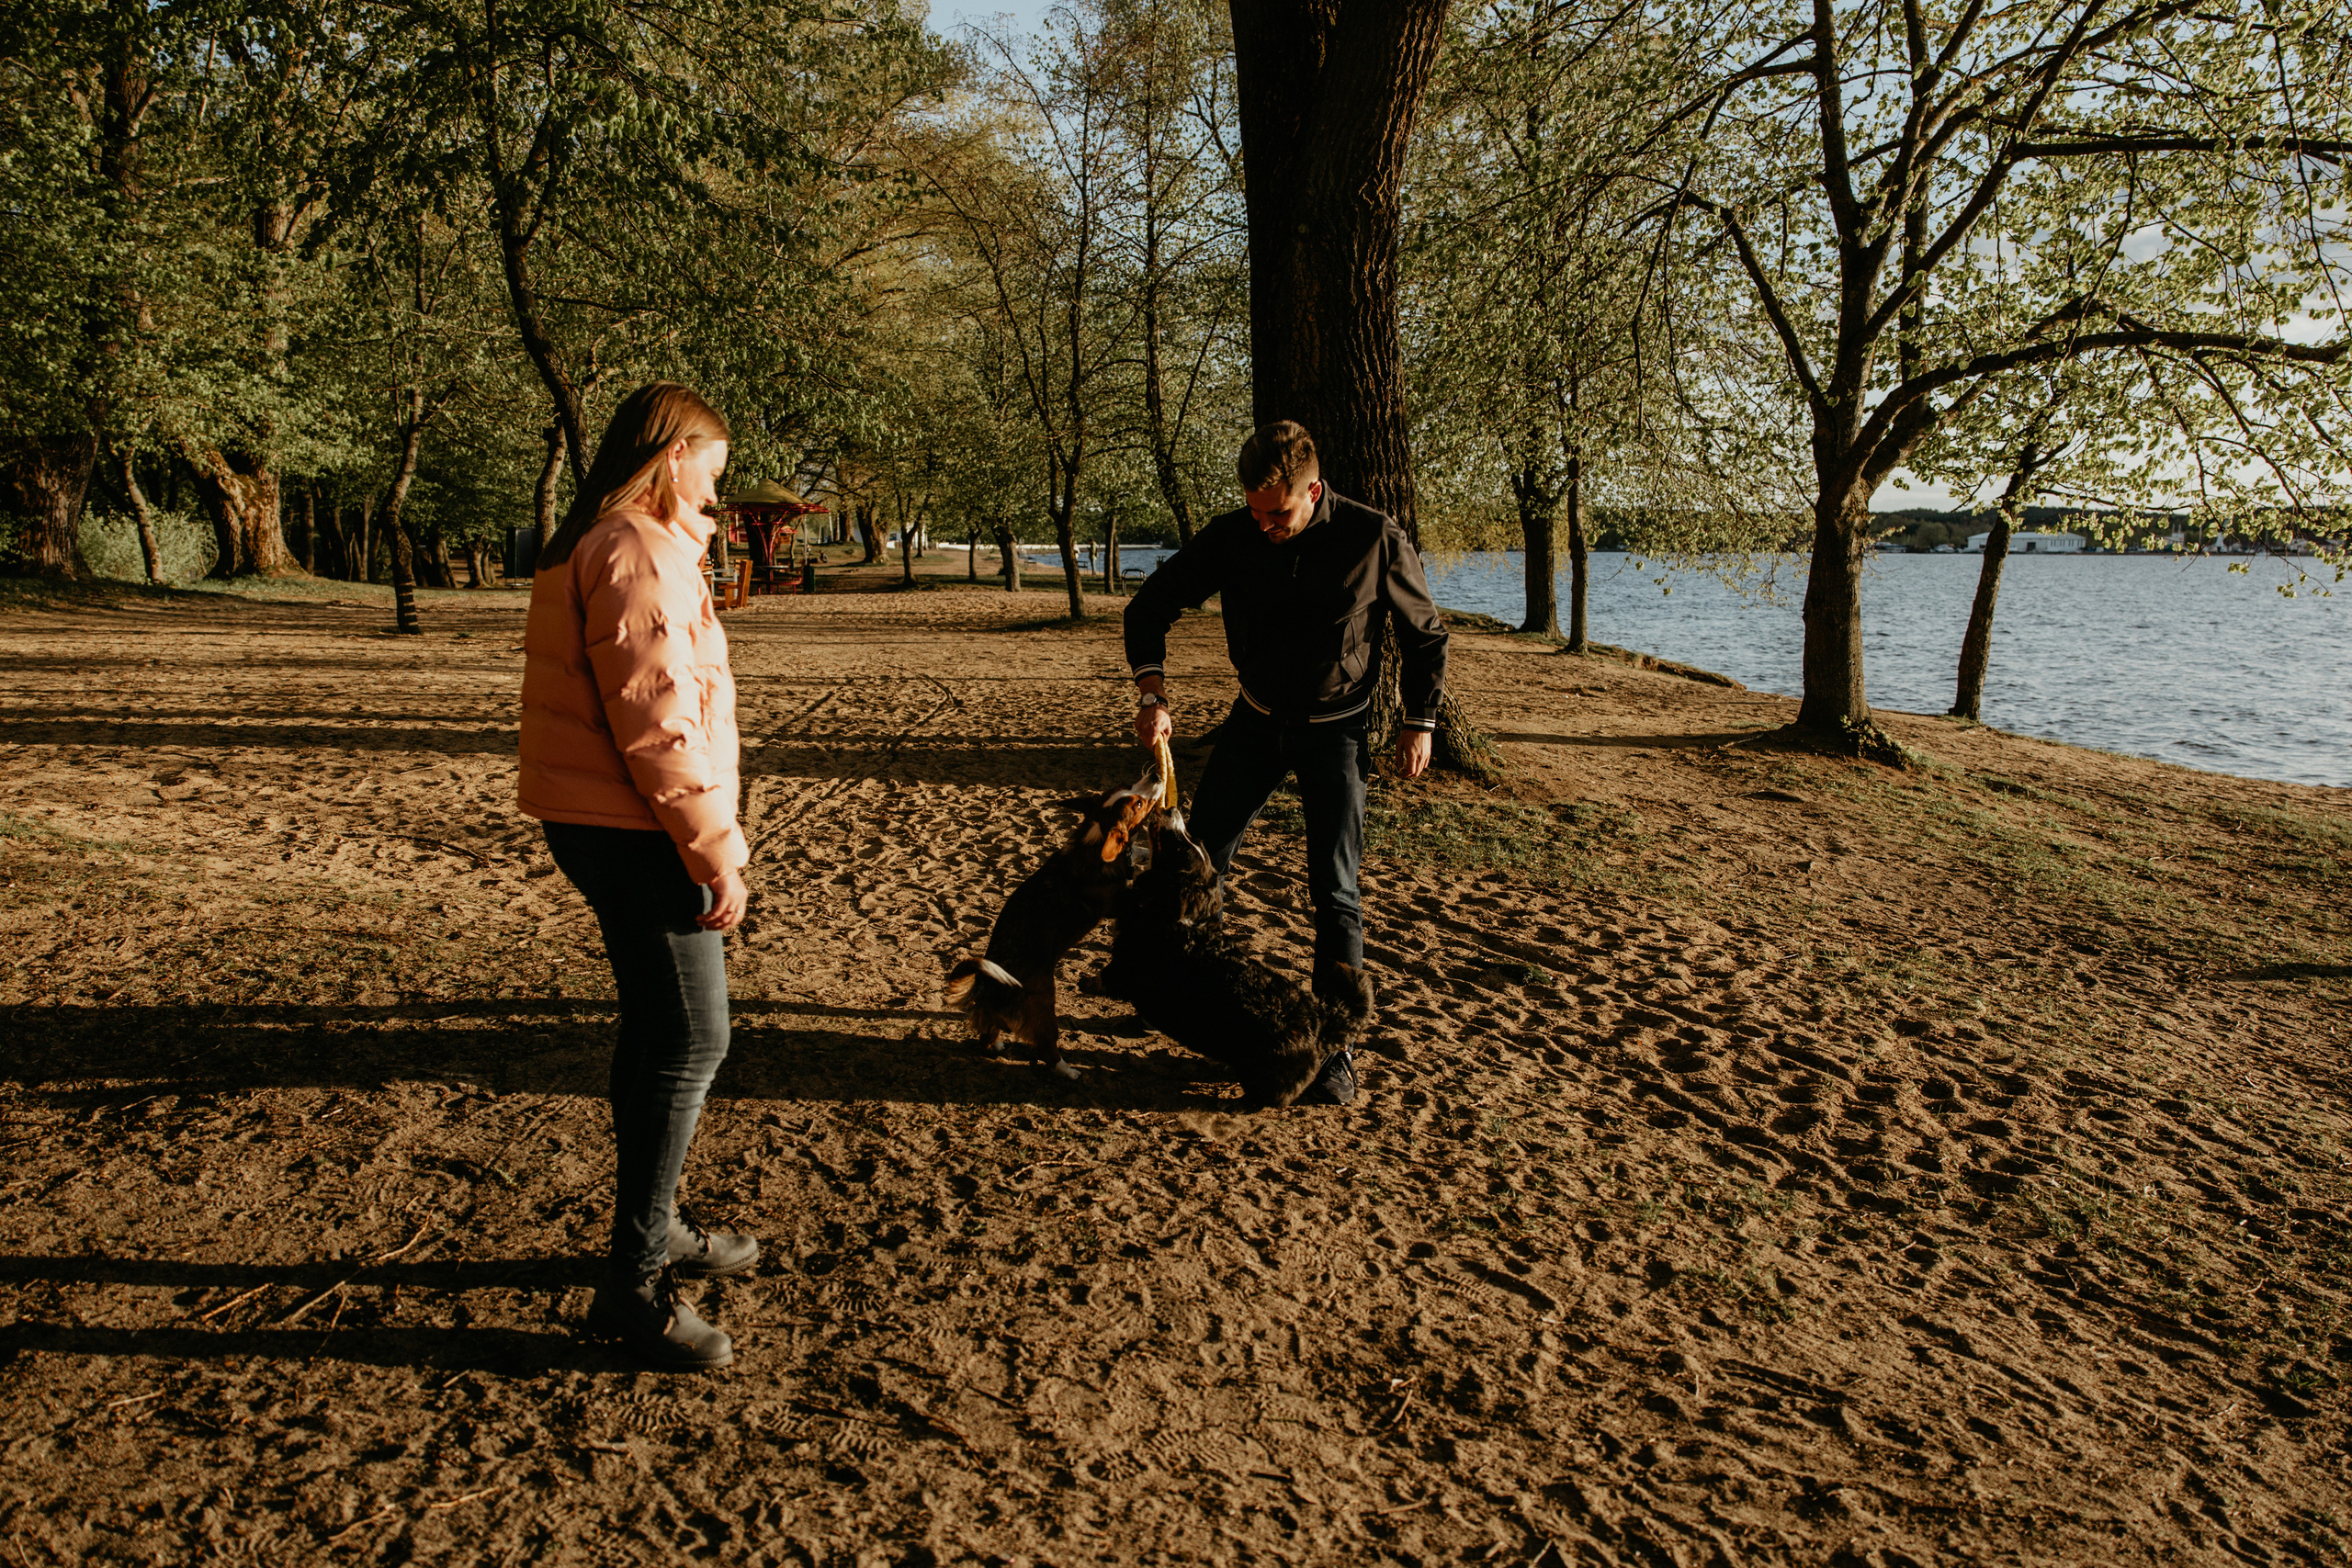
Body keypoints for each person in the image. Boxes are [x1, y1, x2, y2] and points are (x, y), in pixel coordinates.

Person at [518, 382, 757, 1371]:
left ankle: (656, 1229)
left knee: (662, 1033)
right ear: (672, 454)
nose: (719, 480)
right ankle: (632, 1285)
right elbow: (657, 718)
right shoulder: (633, 551)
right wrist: (714, 846)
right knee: (694, 1036)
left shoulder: (631, 544)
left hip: (612, 819)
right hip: (635, 826)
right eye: (713, 460)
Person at [1122, 420, 1449, 1105]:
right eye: (1254, 510)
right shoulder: (1235, 534)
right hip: (1256, 722)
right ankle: (1181, 998)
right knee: (1197, 860)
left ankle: (1334, 1047)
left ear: (1313, 491)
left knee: (1334, 890)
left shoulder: (1372, 535)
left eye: (1277, 512)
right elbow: (1150, 605)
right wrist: (1152, 690)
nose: (1264, 524)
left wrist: (1420, 721)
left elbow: (1424, 635)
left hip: (1338, 733)